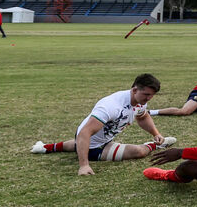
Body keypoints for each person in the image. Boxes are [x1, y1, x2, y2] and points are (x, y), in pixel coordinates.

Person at [30, 73, 176, 176]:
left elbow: (143, 117)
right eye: (146, 95)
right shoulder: (111, 106)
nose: (149, 98)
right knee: (139, 152)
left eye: (152, 95)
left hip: (100, 140)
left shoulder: (138, 101)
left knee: (78, 144)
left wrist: (156, 133)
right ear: (135, 89)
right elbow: (84, 133)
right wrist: (84, 165)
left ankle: (44, 148)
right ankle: (156, 145)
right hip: (94, 147)